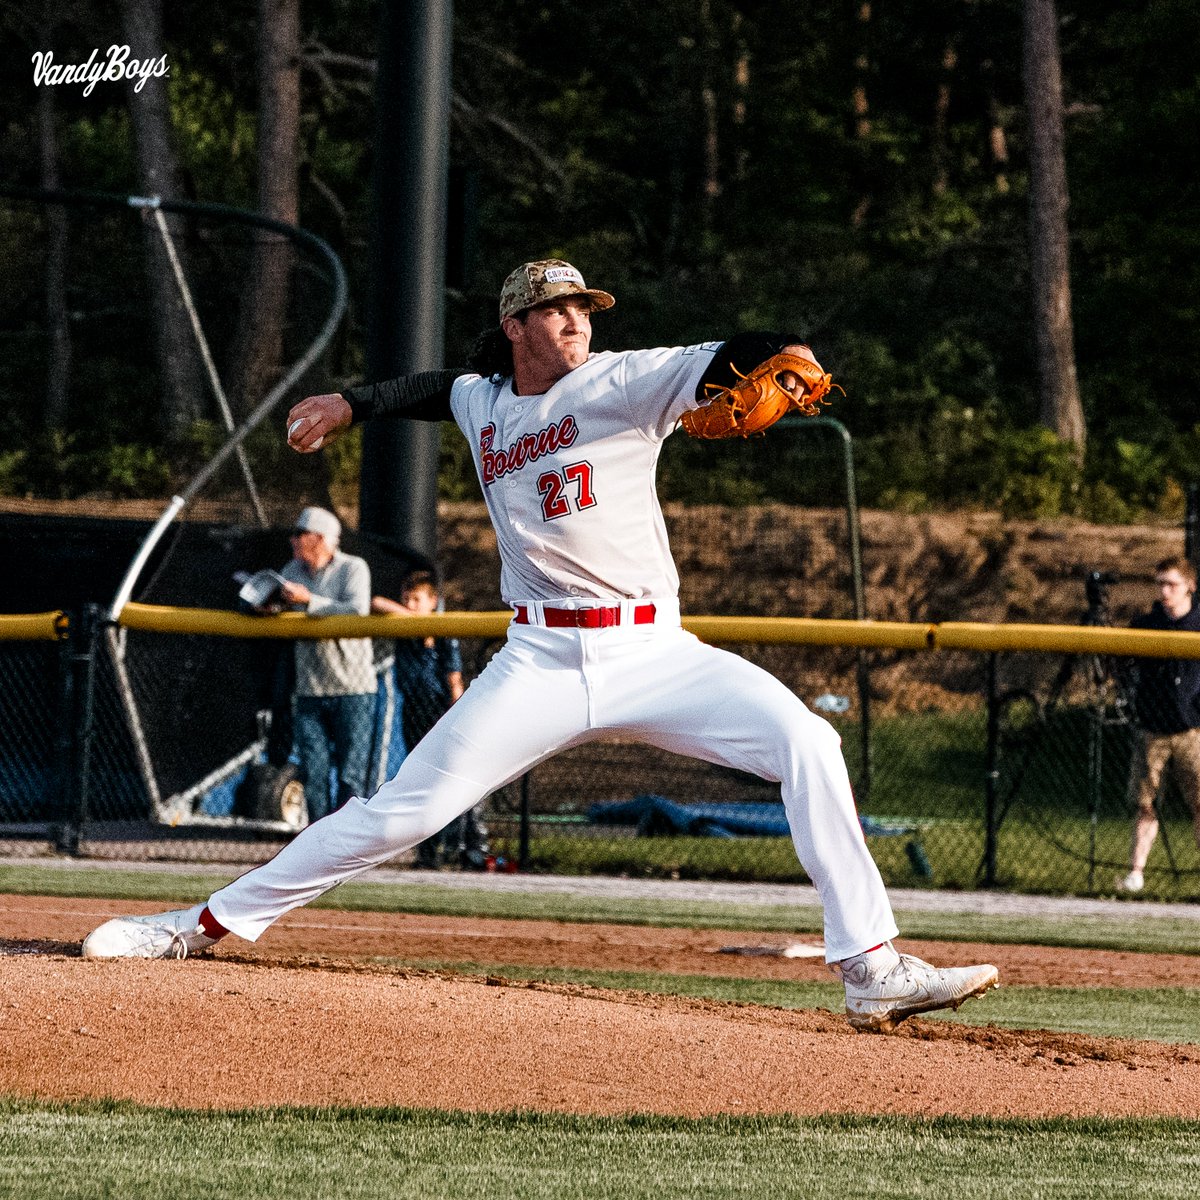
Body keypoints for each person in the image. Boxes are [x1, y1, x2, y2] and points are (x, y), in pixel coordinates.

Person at [83, 258, 998, 1033]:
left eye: (584, 309)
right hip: (541, 662)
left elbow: (727, 353)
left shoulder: (626, 381)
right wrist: (349, 404)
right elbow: (438, 389)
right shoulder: (485, 401)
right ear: (518, 323)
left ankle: (870, 968)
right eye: (559, 309)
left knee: (809, 742)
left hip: (658, 654)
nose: (577, 323)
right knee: (400, 814)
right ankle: (193, 926)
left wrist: (783, 356)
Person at [374, 571, 488, 869]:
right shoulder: (405, 626)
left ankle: (470, 847)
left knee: (453, 774)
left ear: (433, 602)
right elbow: (377, 603)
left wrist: (457, 707)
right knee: (421, 778)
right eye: (406, 599)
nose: (410, 605)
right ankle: (428, 851)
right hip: (413, 707)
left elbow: (453, 677)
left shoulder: (440, 628)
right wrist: (409, 616)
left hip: (438, 708)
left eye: (417, 600)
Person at [274, 505, 376, 823]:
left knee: (351, 774)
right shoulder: (291, 571)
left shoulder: (353, 568)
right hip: (310, 688)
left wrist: (309, 602)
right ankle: (317, 844)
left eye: (299, 534)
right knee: (313, 774)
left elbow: (357, 610)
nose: (293, 541)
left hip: (353, 688)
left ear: (318, 539)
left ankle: (347, 843)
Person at [1117, 556, 1200, 893]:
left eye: (1173, 584)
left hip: (1192, 729)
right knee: (1146, 802)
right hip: (1153, 728)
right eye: (1160, 584)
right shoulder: (1146, 624)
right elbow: (1121, 663)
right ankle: (1136, 872)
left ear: (1189, 586)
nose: (1165, 591)